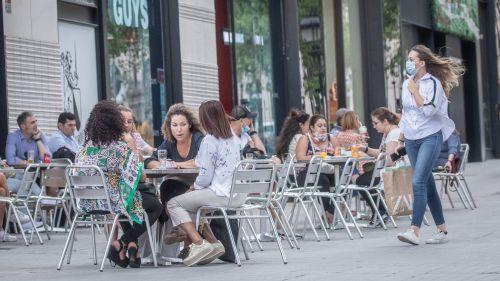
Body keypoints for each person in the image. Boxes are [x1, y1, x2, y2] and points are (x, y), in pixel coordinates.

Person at [76, 100, 163, 268]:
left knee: (129, 199)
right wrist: (133, 149)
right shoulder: (120, 148)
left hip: (87, 203)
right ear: (115, 122)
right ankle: (123, 242)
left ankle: (130, 247)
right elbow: (141, 178)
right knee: (154, 206)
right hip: (113, 202)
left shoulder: (84, 148)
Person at [396, 44, 464, 245]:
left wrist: (415, 91)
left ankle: (414, 230)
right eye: (407, 59)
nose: (408, 63)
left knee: (417, 181)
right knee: (427, 183)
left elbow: (429, 111)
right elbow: (407, 113)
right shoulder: (405, 83)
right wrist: (400, 138)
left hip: (429, 137)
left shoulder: (433, 83)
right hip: (411, 138)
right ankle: (442, 231)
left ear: (422, 62)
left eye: (412, 59)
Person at [166, 100, 244, 267]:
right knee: (191, 203)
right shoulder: (233, 138)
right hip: (237, 195)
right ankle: (214, 243)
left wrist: (194, 187)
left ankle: (199, 244)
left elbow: (205, 176)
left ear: (205, 118)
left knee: (174, 203)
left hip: (219, 194)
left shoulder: (209, 140)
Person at [144, 104, 204, 258]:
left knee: (169, 189)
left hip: (199, 184)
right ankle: (187, 239)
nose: (179, 129)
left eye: (183, 125)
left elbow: (202, 160)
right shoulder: (169, 142)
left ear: (190, 124)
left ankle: (187, 239)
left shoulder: (198, 138)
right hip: (177, 185)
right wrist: (161, 165)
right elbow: (150, 160)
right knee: (168, 186)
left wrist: (178, 165)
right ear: (169, 126)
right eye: (174, 125)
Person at [354, 107, 402, 225]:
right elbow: (380, 153)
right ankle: (380, 212)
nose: (374, 126)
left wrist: (378, 160)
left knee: (362, 180)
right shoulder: (388, 133)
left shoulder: (394, 133)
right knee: (364, 179)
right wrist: (365, 148)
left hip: (395, 172)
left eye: (376, 123)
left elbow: (390, 160)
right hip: (390, 170)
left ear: (385, 121)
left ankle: (381, 212)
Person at [295, 114, 337, 223]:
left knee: (341, 177)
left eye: (324, 125)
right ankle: (331, 212)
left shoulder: (331, 138)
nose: (323, 128)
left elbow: (339, 153)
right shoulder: (305, 139)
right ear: (312, 127)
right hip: (307, 174)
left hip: (329, 170)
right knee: (322, 179)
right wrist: (315, 157)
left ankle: (335, 211)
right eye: (319, 125)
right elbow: (300, 158)